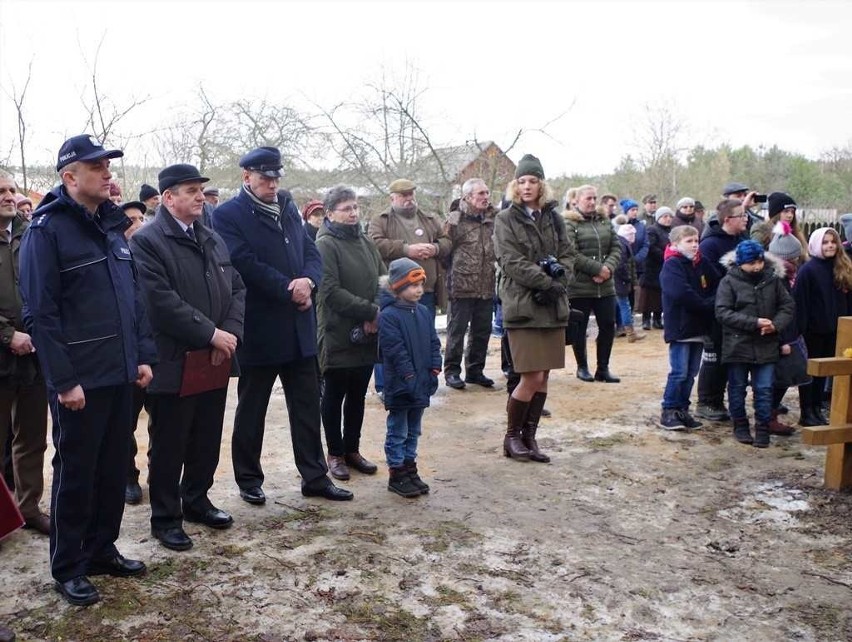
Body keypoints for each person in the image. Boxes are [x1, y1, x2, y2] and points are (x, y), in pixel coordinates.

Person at [19, 134, 157, 606]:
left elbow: (132, 299)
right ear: (69, 176)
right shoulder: (48, 230)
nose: (107, 173)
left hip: (120, 373)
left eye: (108, 165)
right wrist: (63, 380)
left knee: (112, 466)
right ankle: (69, 565)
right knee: (76, 472)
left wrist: (141, 355)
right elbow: (41, 313)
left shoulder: (112, 228)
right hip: (81, 379)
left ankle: (102, 548)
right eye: (96, 166)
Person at [212, 146, 352, 503]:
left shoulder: (287, 205)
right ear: (247, 177)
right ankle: (248, 479)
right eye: (265, 178)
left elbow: (310, 250)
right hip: (261, 327)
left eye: (276, 177)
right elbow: (242, 261)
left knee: (306, 407)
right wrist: (287, 288)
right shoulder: (228, 214)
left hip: (299, 326)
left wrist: (309, 281)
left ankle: (314, 476)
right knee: (252, 409)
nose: (272, 184)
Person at [130, 164, 245, 552]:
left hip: (213, 359)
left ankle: (197, 500)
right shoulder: (147, 242)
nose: (200, 196)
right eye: (190, 190)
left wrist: (227, 334)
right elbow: (159, 302)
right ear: (168, 198)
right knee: (170, 443)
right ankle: (165, 517)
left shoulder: (210, 237)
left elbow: (237, 287)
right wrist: (210, 333)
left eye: (200, 190)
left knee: (206, 437)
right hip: (174, 359)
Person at [493, 154, 575, 462]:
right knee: (529, 376)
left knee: (544, 377)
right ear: (516, 185)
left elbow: (568, 253)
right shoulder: (505, 219)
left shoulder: (554, 218)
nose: (527, 186)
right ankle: (512, 436)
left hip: (552, 305)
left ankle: (530, 436)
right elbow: (510, 261)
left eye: (533, 180)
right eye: (522, 181)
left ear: (542, 184)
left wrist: (559, 280)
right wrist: (545, 282)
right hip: (523, 303)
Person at [315, 186, 384, 482]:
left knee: (357, 395)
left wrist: (378, 311)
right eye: (346, 208)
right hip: (337, 332)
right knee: (334, 395)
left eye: (355, 207)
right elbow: (329, 291)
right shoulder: (325, 244)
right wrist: (369, 312)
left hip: (367, 333)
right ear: (330, 213)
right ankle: (335, 453)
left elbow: (384, 279)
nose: (353, 213)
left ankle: (352, 449)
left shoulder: (367, 242)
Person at [0, 175, 49, 536]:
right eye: (1, 192)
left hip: (33, 356)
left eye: (11, 190)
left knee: (31, 437)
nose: (9, 197)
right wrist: (7, 334)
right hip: (3, 354)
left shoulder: (29, 234)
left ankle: (29, 507)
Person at [715, 240, 794, 447]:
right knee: (737, 387)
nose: (757, 266)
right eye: (751, 263)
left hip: (766, 343)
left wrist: (775, 325)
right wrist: (754, 323)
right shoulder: (729, 282)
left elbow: (787, 306)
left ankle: (763, 427)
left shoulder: (773, 280)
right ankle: (740, 424)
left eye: (759, 261)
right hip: (737, 344)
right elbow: (722, 312)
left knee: (764, 388)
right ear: (741, 263)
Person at [379, 258, 442, 496]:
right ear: (397, 287)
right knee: (398, 430)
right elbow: (395, 351)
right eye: (412, 285)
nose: (418, 290)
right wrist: (408, 376)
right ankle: (396, 473)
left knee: (414, 429)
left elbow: (433, 342)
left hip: (422, 382)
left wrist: (435, 367)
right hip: (401, 384)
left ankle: (410, 467)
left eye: (421, 285)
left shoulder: (423, 311)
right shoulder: (389, 316)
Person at [694, 198, 749, 422]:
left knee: (730, 357)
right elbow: (704, 281)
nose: (746, 219)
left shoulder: (741, 240)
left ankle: (719, 399)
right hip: (717, 310)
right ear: (728, 219)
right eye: (742, 215)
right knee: (713, 357)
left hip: (740, 310)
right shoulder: (710, 245)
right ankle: (707, 402)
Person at [658, 225, 718, 430]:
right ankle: (669, 410)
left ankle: (683, 409)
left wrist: (713, 300)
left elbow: (716, 281)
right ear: (675, 244)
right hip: (681, 326)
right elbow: (681, 293)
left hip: (699, 326)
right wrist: (708, 304)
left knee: (692, 371)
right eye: (689, 241)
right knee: (679, 371)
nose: (694, 245)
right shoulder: (672, 265)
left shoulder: (701, 262)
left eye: (696, 240)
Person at [793, 227, 852, 426]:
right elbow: (800, 303)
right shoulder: (808, 270)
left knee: (824, 372)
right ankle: (806, 410)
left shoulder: (841, 267)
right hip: (812, 332)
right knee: (810, 373)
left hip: (834, 330)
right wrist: (800, 330)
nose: (830, 246)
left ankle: (817, 408)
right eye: (825, 242)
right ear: (817, 244)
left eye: (833, 242)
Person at [369, 179, 451, 319]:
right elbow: (375, 244)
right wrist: (406, 250)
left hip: (426, 291)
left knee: (425, 333)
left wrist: (435, 248)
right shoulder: (381, 220)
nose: (409, 198)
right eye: (403, 195)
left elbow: (448, 241)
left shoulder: (430, 219)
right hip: (398, 291)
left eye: (411, 194)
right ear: (392, 198)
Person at [443, 178, 497, 390]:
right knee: (456, 331)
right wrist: (456, 272)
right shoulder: (454, 221)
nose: (485, 197)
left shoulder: (493, 218)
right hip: (461, 285)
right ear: (467, 197)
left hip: (486, 284)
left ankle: (475, 371)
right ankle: (452, 372)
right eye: (480, 194)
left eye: (486, 193)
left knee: (482, 331)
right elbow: (444, 252)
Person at [566, 184, 622, 383]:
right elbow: (571, 253)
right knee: (580, 329)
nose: (592, 202)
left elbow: (616, 247)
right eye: (588, 198)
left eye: (594, 198)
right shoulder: (569, 223)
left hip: (605, 286)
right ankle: (582, 367)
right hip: (580, 285)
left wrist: (607, 269)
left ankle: (603, 368)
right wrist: (596, 269)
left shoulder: (604, 221)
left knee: (608, 325)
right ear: (577, 201)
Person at [118, 200, 149, 505]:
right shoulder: (117, 258)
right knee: (125, 422)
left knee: (163, 419)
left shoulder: (155, 253)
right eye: (130, 220)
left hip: (160, 352)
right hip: (129, 354)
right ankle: (128, 477)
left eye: (141, 218)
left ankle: (160, 472)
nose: (138, 224)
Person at [638, 206, 673, 331]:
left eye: (670, 216)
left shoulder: (672, 231)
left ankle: (657, 319)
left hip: (665, 267)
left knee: (660, 295)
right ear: (659, 218)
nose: (668, 219)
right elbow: (651, 247)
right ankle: (646, 320)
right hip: (651, 267)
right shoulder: (652, 230)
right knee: (648, 296)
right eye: (665, 216)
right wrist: (666, 255)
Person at [750, 192, 807, 262]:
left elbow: (803, 258)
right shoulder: (761, 230)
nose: (790, 215)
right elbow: (755, 256)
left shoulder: (795, 233)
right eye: (786, 211)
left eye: (792, 212)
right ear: (776, 213)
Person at [614, 222, 645, 342]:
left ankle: (622, 330)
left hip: (617, 280)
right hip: (620, 281)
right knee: (625, 305)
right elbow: (621, 265)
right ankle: (630, 333)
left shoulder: (620, 243)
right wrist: (628, 278)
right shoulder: (622, 244)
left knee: (619, 305)